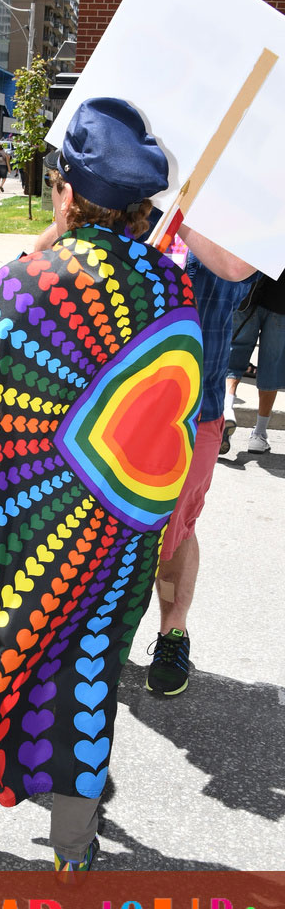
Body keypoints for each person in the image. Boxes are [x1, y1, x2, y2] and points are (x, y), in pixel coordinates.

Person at [0, 97, 204, 872]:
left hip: (29, 516)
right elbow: (173, 406)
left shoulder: (31, 280)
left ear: (64, 193)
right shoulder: (171, 288)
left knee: (4, 656)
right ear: (139, 208)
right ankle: (73, 846)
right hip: (122, 525)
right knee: (87, 671)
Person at [145, 254, 251, 696]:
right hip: (115, 404)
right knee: (109, 526)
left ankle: (173, 633)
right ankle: (101, 638)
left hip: (197, 409)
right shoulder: (136, 202)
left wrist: (186, 220)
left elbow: (237, 273)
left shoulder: (231, 224)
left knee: (177, 526)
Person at [224, 267, 285, 454]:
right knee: (272, 366)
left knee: (233, 359)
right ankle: (258, 435)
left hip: (249, 292)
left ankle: (227, 410)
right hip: (281, 303)